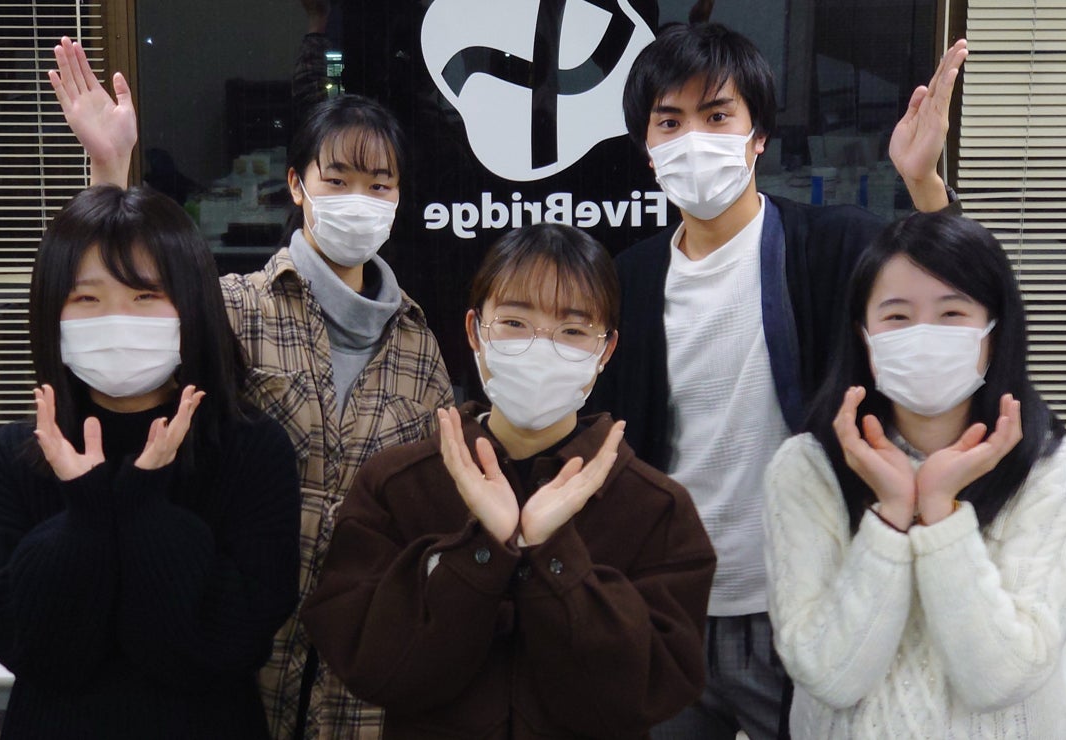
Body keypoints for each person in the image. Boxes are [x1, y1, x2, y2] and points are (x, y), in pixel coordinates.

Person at [49, 37, 454, 740]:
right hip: (229, 653)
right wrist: (109, 171)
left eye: (379, 185)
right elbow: (120, 353)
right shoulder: (233, 306)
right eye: (337, 180)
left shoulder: (420, 344)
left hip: (360, 676)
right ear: (296, 185)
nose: (359, 201)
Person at [585, 21, 969, 739]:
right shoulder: (627, 279)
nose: (693, 139)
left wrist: (923, 185)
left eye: (717, 116)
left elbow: (961, 306)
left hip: (806, 608)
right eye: (670, 121)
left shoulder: (835, 245)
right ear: (646, 146)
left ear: (758, 135)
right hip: (669, 612)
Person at [300, 223, 717, 739]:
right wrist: (481, 552)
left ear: (606, 349)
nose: (541, 348)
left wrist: (552, 551)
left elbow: (642, 694)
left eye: (572, 331)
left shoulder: (655, 508)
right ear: (475, 330)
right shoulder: (396, 486)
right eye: (515, 323)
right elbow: (374, 669)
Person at [0, 185, 301, 739]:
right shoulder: (9, 458)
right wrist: (85, 517)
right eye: (86, 299)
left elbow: (225, 644)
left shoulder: (253, 449)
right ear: (50, 311)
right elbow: (41, 655)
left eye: (146, 295)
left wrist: (144, 508)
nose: (117, 320)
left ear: (192, 304)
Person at [763, 210, 1066, 738]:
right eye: (896, 316)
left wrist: (940, 513)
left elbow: (1002, 678)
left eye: (952, 312)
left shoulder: (1062, 473)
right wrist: (891, 517)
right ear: (864, 335)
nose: (923, 334)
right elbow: (828, 676)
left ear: (994, 330)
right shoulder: (806, 467)